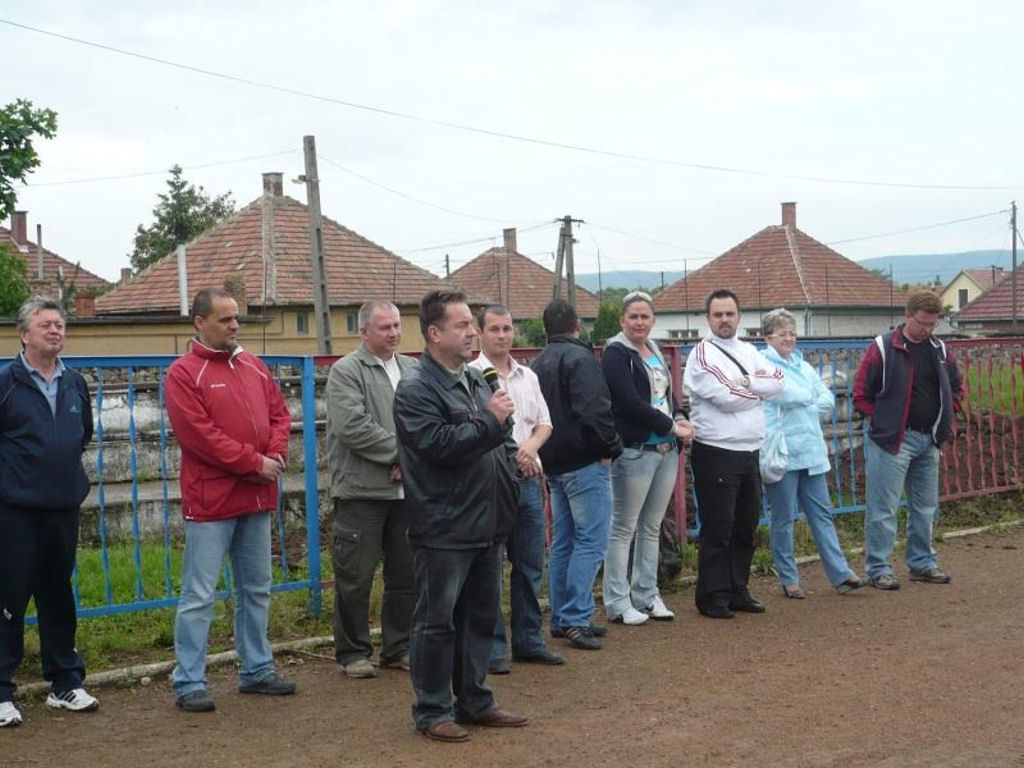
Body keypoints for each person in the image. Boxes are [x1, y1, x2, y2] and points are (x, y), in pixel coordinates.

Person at [394, 289, 527, 743]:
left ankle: (475, 700)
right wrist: (490, 420)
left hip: (487, 520)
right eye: (463, 325)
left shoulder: (475, 378)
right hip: (444, 525)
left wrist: (508, 474)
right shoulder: (416, 388)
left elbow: (500, 438)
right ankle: (432, 710)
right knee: (437, 621)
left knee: (480, 616)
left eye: (472, 324)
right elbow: (439, 447)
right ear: (434, 334)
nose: (473, 332)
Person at [164, 288, 297, 713]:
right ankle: (189, 680)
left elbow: (280, 415)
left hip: (256, 496)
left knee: (256, 589)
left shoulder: (254, 365)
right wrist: (254, 463)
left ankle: (257, 669)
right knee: (199, 595)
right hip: (212, 501)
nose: (235, 325)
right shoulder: (184, 374)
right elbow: (200, 437)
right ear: (200, 322)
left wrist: (275, 455)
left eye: (236, 318)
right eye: (225, 319)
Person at [0, 297, 99, 728]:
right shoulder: (6, 383)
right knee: (9, 597)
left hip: (62, 507)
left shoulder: (75, 383)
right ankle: (2, 691)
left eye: (60, 324)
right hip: (14, 510)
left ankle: (64, 682)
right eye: (45, 324)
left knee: (57, 593)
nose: (55, 330)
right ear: (24, 334)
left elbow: (82, 435)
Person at [469, 305, 563, 673]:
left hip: (528, 479)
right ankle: (492, 647)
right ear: (480, 333)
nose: (502, 335)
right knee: (489, 568)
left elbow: (545, 423)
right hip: (492, 482)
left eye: (507, 328)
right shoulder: (471, 376)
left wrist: (529, 449)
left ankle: (528, 640)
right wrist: (513, 455)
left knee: (529, 564)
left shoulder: (529, 375)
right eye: (494, 329)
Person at [326, 301, 417, 678]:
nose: (394, 333)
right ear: (364, 332)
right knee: (355, 577)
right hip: (362, 491)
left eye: (396, 325)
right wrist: (402, 455)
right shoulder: (346, 371)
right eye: (385, 327)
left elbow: (423, 419)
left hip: (406, 491)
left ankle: (399, 647)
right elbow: (353, 426)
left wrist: (410, 461)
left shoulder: (412, 369)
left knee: (406, 575)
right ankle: (353, 652)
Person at [683, 289, 784, 619]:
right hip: (716, 450)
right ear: (708, 318)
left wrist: (744, 383)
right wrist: (757, 391)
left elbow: (778, 381)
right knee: (718, 527)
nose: (724, 320)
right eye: (718, 315)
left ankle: (738, 589)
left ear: (739, 316)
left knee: (746, 525)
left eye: (729, 314)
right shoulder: (701, 355)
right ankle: (712, 596)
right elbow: (725, 398)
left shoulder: (749, 350)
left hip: (750, 450)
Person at [853, 289, 963, 590]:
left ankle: (922, 563)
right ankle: (879, 568)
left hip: (930, 439)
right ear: (908, 315)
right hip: (893, 441)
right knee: (883, 508)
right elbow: (861, 393)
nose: (927, 329)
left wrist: (947, 414)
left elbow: (956, 387)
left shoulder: (940, 350)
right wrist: (881, 423)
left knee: (925, 507)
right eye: (922, 323)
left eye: (932, 324)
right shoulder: (883, 347)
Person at [532, 299, 623, 649]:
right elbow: (594, 410)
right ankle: (575, 617)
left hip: (553, 462)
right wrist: (610, 448)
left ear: (544, 330)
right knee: (591, 541)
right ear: (577, 326)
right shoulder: (581, 358)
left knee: (563, 542)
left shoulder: (538, 362)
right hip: (585, 461)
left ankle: (561, 616)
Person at [601, 291, 695, 626]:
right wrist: (671, 426)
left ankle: (647, 594)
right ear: (622, 320)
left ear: (653, 320)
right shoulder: (615, 353)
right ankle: (617, 601)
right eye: (633, 317)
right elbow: (628, 402)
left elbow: (667, 395)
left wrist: (680, 417)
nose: (639, 322)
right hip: (636, 451)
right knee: (623, 527)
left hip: (666, 450)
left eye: (645, 317)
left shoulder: (653, 349)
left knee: (651, 526)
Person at [759, 309, 863, 599]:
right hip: (782, 452)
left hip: (811, 450)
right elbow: (783, 394)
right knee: (783, 518)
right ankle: (789, 578)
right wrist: (806, 398)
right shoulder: (763, 365)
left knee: (822, 514)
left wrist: (805, 405)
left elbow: (826, 397)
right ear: (768, 337)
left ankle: (841, 574)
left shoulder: (803, 365)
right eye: (782, 334)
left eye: (792, 333)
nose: (789, 338)